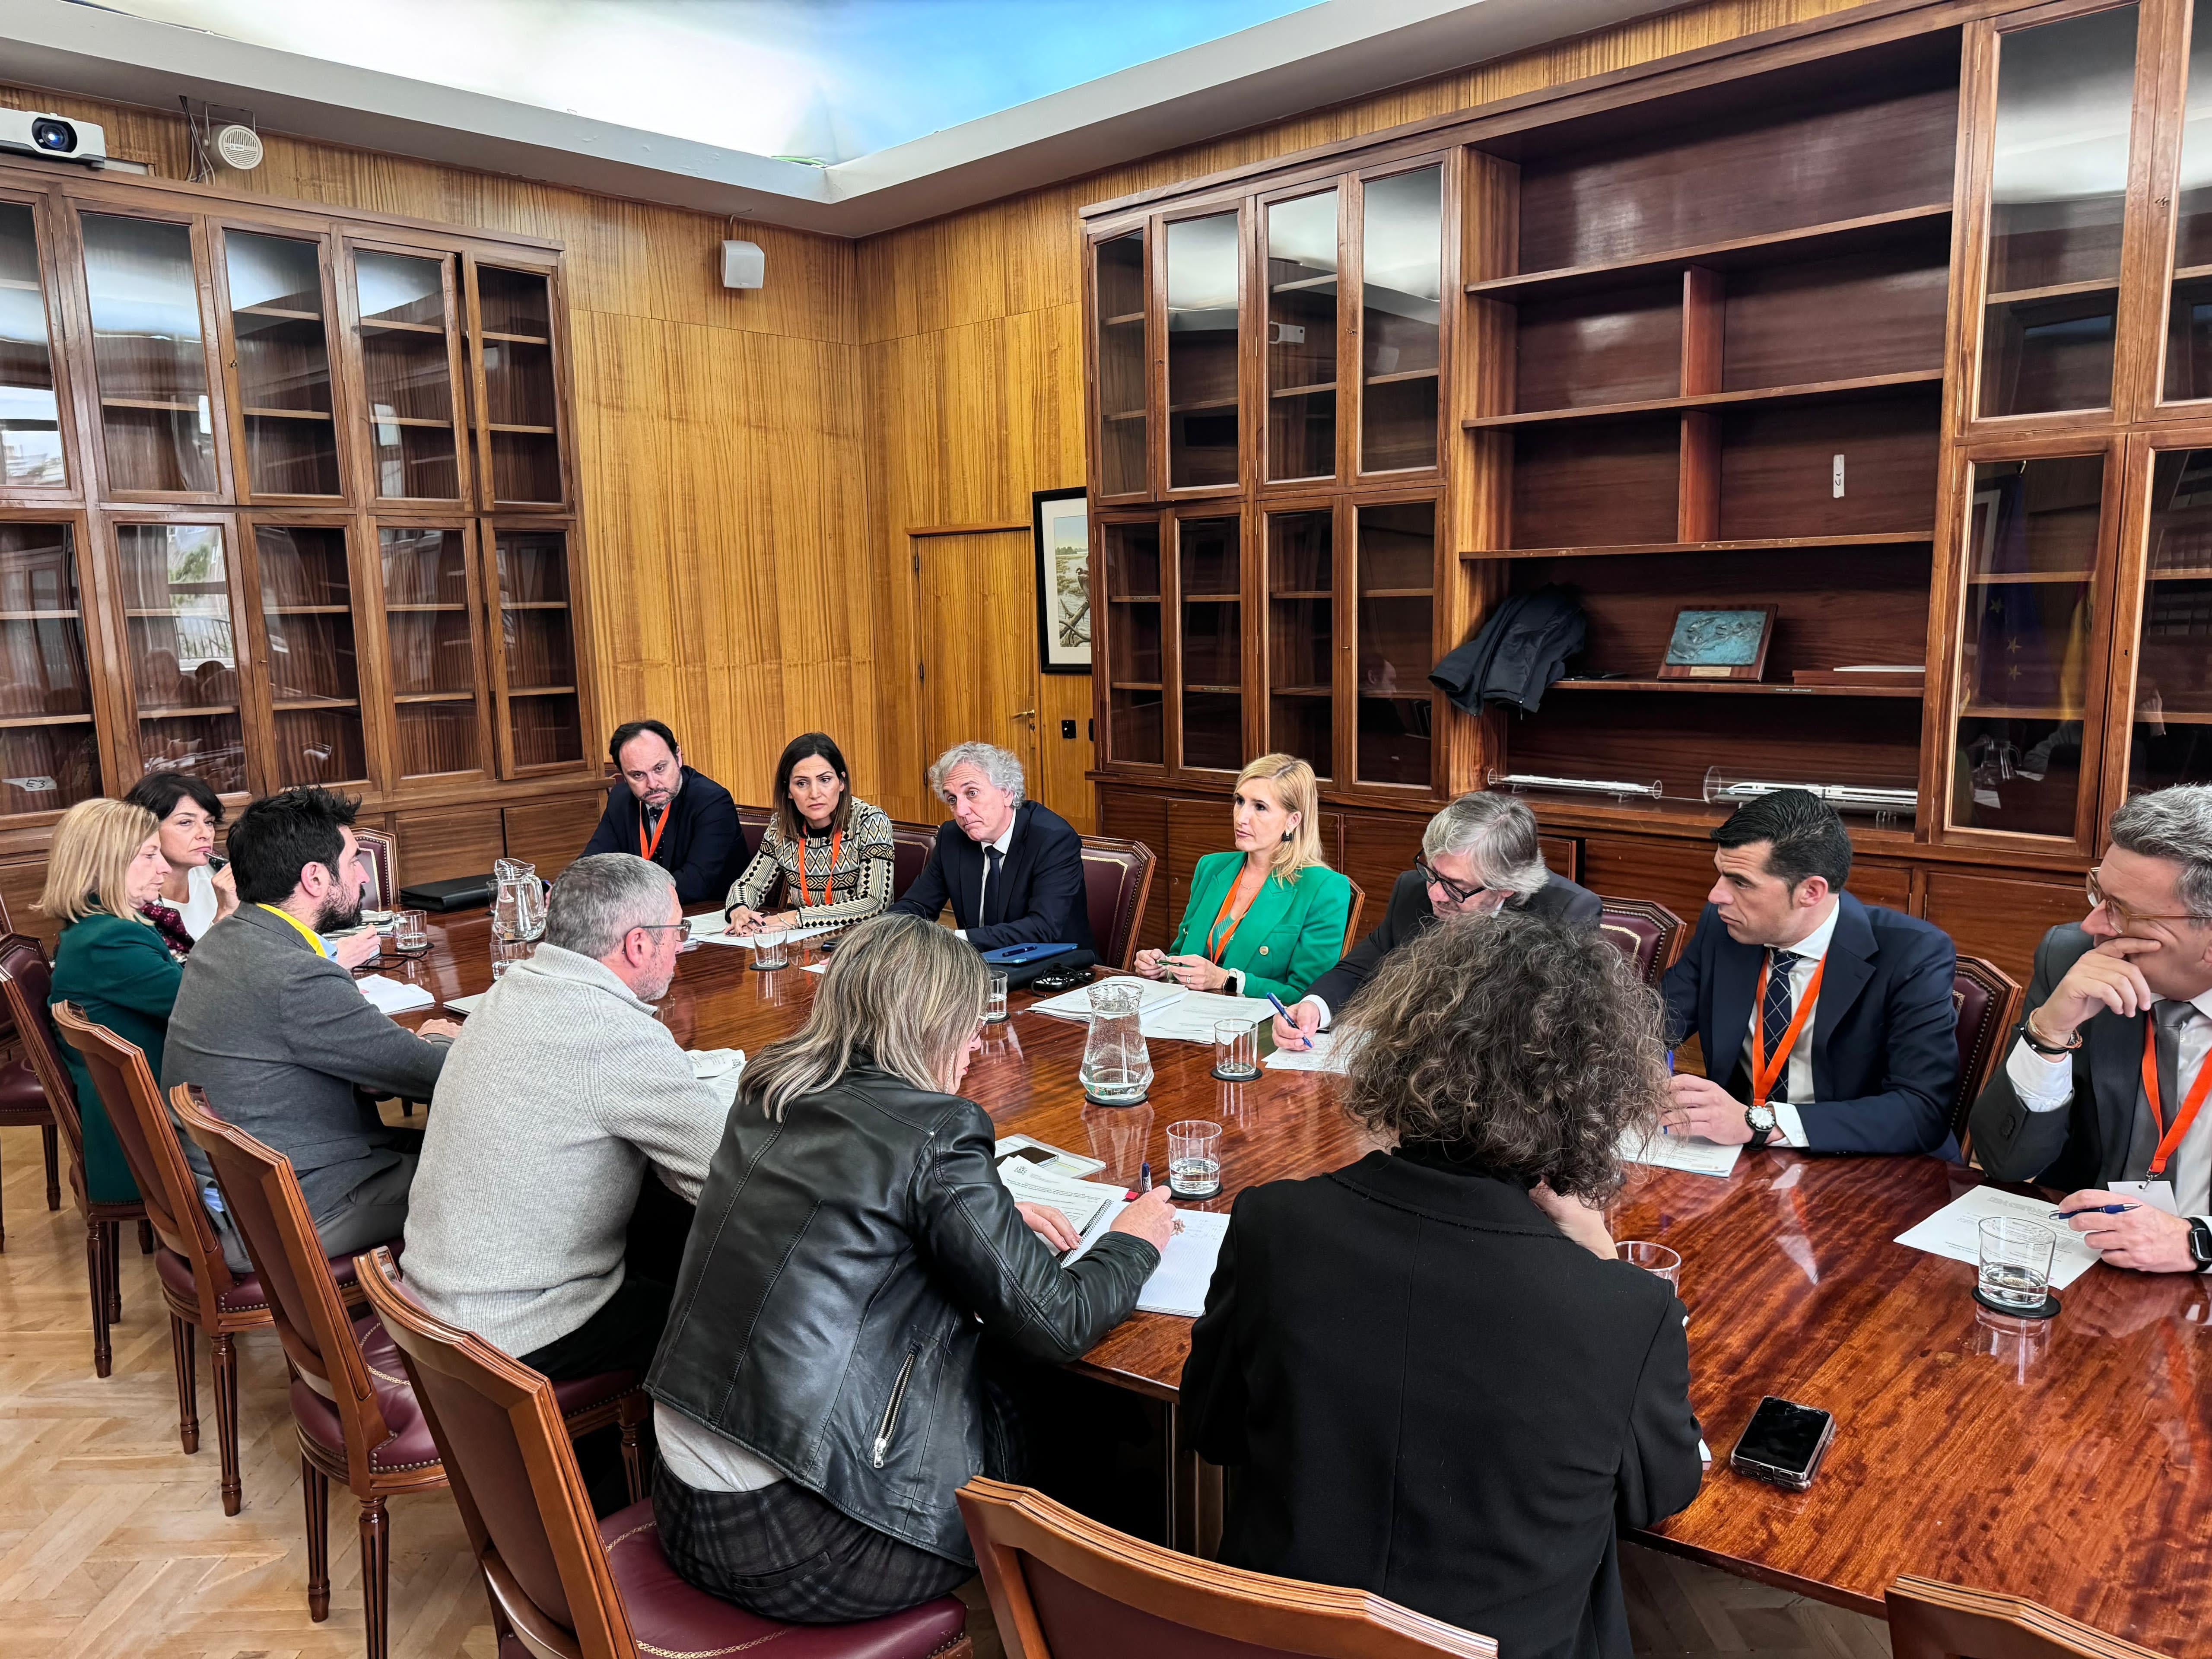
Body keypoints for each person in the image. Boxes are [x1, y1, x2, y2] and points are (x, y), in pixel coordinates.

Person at [1182, 912, 1702, 1659]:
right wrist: (1600, 1255)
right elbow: (1659, 1497)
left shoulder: (1275, 1225)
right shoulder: (1626, 1306)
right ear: (1590, 1094)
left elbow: (1212, 1431)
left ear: (1402, 1047)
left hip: (1278, 1640)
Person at [646, 912, 1175, 1623]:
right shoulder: (938, 1132)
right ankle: (1110, 1615)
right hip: (804, 1543)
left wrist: (984, 1214)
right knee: (1057, 1394)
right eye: (967, 1022)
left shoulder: (769, 1089)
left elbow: (851, 1199)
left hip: (687, 1503)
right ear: (929, 1027)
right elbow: (1060, 1320)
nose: (978, 1042)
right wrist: (1133, 1238)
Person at [405, 853, 728, 1378]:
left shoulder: (508, 988)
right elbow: (729, 1176)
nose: (680, 947)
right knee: (733, 1318)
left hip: (435, 1301)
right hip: (513, 1332)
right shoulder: (615, 1035)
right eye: (678, 931)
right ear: (638, 944)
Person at [162, 786, 461, 1269]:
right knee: (496, 1171)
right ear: (316, 878)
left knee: (450, 1142)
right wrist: (441, 1040)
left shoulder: (227, 940)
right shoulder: (295, 974)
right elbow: (431, 1075)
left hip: (248, 1187)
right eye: (352, 863)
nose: (362, 874)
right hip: (293, 1209)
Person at [1969, 784, 2212, 1274]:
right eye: (2099, 893)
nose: (2092, 924)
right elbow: (2006, 1162)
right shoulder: (2072, 961)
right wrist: (2049, 1032)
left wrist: (2196, 1242)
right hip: (2088, 1270)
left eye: (2123, 911)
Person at [1660, 788, 1957, 1156]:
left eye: (1740, 882)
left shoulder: (1913, 954)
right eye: (1721, 875)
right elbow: (1652, 1024)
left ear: (1811, 892)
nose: (1715, 895)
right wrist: (1643, 1070)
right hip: (1742, 1161)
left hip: (1870, 1169)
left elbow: (1921, 1111)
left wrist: (1762, 1122)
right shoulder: (1724, 928)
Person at [1271, 790, 1601, 1047]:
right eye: (1432, 873)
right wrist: (1314, 1008)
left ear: (1506, 889)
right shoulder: (1413, 890)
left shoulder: (1565, 913)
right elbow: (1359, 971)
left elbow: (1553, 1029)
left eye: (1456, 887)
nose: (1435, 895)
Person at [39, 798, 184, 1209]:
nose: (165, 868)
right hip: (149, 1133)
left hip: (149, 1110)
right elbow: (203, 1008)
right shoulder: (110, 940)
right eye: (150, 855)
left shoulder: (99, 930)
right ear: (105, 864)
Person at [1134, 754, 1351, 1003]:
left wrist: (1227, 980)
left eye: (1260, 807)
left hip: (1257, 1031)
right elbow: (1181, 952)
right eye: (1240, 801)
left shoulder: (1323, 888)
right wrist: (1162, 967)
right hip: (1188, 1018)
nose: (1241, 818)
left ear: (1293, 821)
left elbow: (1308, 996)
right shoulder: (1212, 867)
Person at [887, 741, 1096, 953]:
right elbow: (916, 905)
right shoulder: (953, 837)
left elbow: (1042, 929)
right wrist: (880, 931)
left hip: (1055, 970)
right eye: (952, 799)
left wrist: (953, 939)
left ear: (1006, 793)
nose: (961, 811)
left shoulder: (1053, 839)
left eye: (972, 793)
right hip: (980, 968)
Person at [723, 733, 895, 935]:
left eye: (825, 780)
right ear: (788, 790)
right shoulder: (782, 825)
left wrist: (796, 918)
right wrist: (739, 910)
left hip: (861, 940)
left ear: (841, 783)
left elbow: (874, 903)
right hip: (801, 939)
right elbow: (749, 884)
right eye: (802, 783)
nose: (815, 794)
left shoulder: (869, 820)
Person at [579, 720, 747, 907]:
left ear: (678, 757)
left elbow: (696, 882)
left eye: (659, 769)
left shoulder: (712, 801)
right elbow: (594, 862)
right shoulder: (621, 800)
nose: (652, 784)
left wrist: (624, 896)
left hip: (706, 914)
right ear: (624, 775)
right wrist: (574, 886)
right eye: (638, 775)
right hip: (642, 915)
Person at [123, 770, 238, 947]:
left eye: (209, 822)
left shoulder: (220, 870)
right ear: (146, 827)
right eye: (186, 822)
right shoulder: (135, 896)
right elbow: (184, 972)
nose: (206, 834)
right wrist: (224, 915)